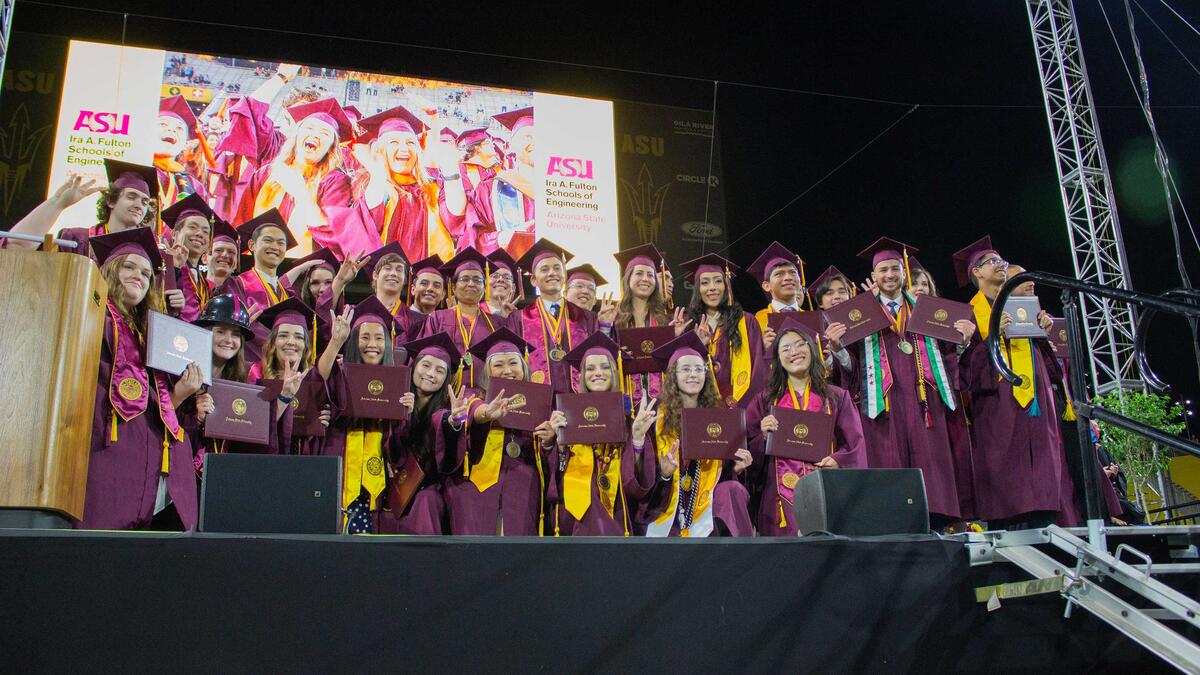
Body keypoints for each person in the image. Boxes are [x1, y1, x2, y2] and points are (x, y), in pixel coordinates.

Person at [836, 237, 975, 529]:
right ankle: (891, 521)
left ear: (904, 272)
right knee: (889, 462)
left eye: (894, 269)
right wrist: (837, 348)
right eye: (883, 270)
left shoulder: (927, 309)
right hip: (883, 402)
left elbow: (948, 356)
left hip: (925, 399)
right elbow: (852, 364)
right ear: (873, 276)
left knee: (931, 462)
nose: (889, 275)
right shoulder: (860, 313)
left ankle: (937, 519)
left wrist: (962, 343)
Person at [81, 228, 198, 531]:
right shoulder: (90, 313)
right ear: (110, 270)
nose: (139, 276)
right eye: (129, 267)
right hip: (102, 440)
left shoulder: (149, 333)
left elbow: (152, 402)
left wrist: (181, 395)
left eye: (147, 273)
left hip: (142, 449)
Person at [954, 237, 1064, 530]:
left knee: (1040, 468)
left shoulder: (1023, 309)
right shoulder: (967, 315)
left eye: (1001, 260)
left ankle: (1046, 516)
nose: (1000, 265)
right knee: (1006, 476)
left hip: (1035, 405)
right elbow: (961, 374)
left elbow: (1052, 373)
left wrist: (1044, 333)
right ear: (976, 273)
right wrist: (990, 338)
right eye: (992, 261)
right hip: (996, 404)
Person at [744, 320, 867, 535]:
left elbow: (855, 443)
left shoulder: (837, 397)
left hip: (827, 488)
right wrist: (762, 436)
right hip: (778, 502)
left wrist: (838, 460)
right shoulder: (764, 401)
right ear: (778, 360)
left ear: (812, 349)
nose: (794, 352)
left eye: (801, 345)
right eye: (786, 348)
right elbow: (747, 453)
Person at [638, 331, 754, 537]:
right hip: (664, 507)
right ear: (672, 375)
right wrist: (664, 474)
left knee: (731, 490)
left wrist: (736, 468)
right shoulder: (654, 416)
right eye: (685, 369)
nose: (693, 374)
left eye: (699, 369)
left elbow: (722, 475)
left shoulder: (719, 418)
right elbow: (639, 475)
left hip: (706, 513)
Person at [444, 328, 557, 535]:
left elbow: (546, 457)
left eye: (514, 363)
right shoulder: (472, 395)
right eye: (498, 365)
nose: (507, 370)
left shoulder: (539, 403)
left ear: (524, 366)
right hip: (476, 483)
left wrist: (549, 441)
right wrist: (487, 413)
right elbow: (474, 411)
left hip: (522, 482)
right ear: (487, 371)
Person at [318, 296, 416, 533]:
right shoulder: (340, 371)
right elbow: (320, 376)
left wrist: (407, 412)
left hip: (376, 472)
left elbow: (400, 441)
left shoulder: (396, 380)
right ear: (353, 342)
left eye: (379, 338)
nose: (372, 344)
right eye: (364, 337)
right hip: (341, 462)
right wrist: (335, 342)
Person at [545, 332, 657, 535]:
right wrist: (558, 445)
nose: (598, 373)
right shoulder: (566, 415)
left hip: (616, 507)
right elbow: (556, 475)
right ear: (582, 375)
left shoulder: (629, 419)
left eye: (606, 367)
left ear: (615, 372)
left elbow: (634, 485)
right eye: (590, 368)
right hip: (574, 507)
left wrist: (638, 439)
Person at [234, 98, 358, 258]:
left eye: (325, 133)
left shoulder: (336, 182)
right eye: (310, 128)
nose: (315, 135)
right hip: (256, 266)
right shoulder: (267, 173)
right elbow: (242, 222)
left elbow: (334, 237)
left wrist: (299, 192)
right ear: (297, 135)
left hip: (303, 271)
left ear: (331, 147)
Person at [352, 105, 466, 263]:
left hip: (427, 277)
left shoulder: (432, 186)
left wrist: (451, 169)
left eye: (410, 143)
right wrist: (377, 172)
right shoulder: (369, 184)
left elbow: (455, 218)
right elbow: (370, 221)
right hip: (387, 277)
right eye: (394, 142)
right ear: (381, 149)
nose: (404, 148)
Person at [377, 333, 466, 535]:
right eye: (425, 365)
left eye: (440, 370)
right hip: (394, 490)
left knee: (427, 502)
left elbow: (449, 461)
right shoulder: (394, 400)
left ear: (446, 379)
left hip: (427, 492)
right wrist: (402, 418)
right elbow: (394, 454)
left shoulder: (444, 411)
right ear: (414, 366)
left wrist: (454, 423)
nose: (431, 373)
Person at [3, 160, 156, 254]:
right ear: (111, 201)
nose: (139, 205)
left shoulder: (144, 254)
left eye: (144, 202)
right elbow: (15, 248)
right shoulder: (75, 239)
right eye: (131, 197)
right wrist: (58, 204)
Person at [510, 239, 599, 393]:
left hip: (579, 402)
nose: (552, 273)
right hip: (536, 401)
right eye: (544, 269)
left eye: (557, 268)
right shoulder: (518, 318)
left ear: (564, 275)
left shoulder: (587, 318)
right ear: (533, 280)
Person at [680, 253, 766, 408]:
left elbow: (758, 368)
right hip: (699, 405)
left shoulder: (746, 322)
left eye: (718, 281)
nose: (712, 288)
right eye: (705, 283)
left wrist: (746, 410)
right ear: (697, 288)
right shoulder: (689, 325)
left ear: (726, 286)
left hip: (740, 405)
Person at [419, 247, 504, 388]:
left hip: (486, 397)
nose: (471, 283)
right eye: (465, 279)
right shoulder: (437, 318)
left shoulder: (497, 323)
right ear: (453, 288)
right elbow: (424, 359)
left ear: (484, 287)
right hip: (445, 396)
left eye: (477, 280)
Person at [612, 243, 680, 408]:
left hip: (663, 403)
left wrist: (675, 339)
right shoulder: (614, 319)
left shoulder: (665, 320)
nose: (645, 279)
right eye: (639, 274)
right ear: (628, 279)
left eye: (650, 275)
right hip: (626, 400)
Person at [466, 108, 536, 256]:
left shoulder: (565, 190)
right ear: (510, 146)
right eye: (528, 136)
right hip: (509, 273)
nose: (535, 142)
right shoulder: (489, 189)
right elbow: (473, 238)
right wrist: (501, 239)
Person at [160, 194, 219, 322]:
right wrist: (173, 269)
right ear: (175, 233)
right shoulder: (161, 267)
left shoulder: (205, 285)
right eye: (193, 227)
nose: (199, 234)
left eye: (205, 232)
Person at [155, 95, 210, 222]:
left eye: (179, 128)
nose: (171, 130)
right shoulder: (130, 169)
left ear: (185, 142)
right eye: (163, 124)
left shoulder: (194, 185)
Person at [747, 241, 806, 340]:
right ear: (766, 286)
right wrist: (762, 350)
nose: (788, 277)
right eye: (779, 274)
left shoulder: (811, 318)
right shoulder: (756, 321)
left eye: (793, 272)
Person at [205, 219, 242, 293]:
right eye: (218, 250)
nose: (225, 255)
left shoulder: (245, 294)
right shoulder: (193, 290)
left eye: (231, 252)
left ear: (236, 263)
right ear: (204, 258)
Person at [482, 248, 521, 317]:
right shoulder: (473, 314)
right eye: (494, 276)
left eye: (506, 277)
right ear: (484, 286)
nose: (500, 279)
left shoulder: (521, 319)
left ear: (513, 288)